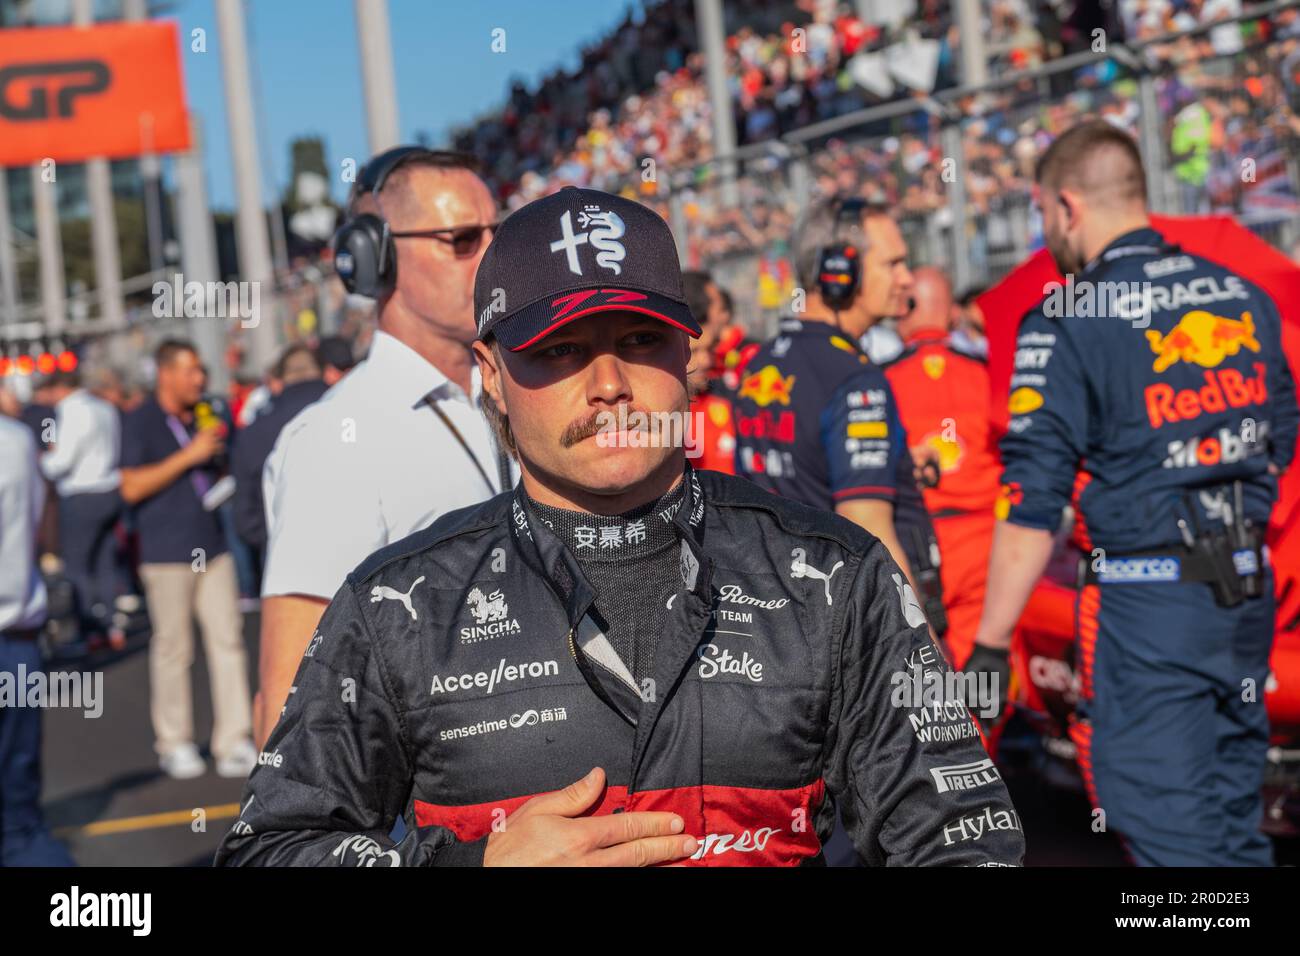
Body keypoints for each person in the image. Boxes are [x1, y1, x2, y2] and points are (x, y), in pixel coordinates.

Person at [215, 187, 1024, 868]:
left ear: (688, 355)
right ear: (492, 376)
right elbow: (269, 847)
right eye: (559, 349)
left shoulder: (837, 576)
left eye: (640, 340)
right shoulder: (400, 603)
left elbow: (961, 840)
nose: (608, 384)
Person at [970, 120, 1298, 866]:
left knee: (1167, 833)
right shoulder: (1242, 294)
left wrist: (991, 644)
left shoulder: (1063, 317)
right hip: (1244, 596)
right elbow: (1279, 432)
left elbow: (1031, 498)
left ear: (1065, 205)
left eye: (1041, 217)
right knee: (1231, 827)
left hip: (1151, 606)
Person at [255, 147, 506, 747]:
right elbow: (293, 714)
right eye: (463, 240)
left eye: (501, 233)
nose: (495, 257)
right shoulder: (336, 442)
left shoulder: (520, 394)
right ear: (373, 258)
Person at [733, 197, 941, 615]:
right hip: (861, 629)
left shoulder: (762, 362)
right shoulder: (854, 378)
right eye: (892, 264)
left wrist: (894, 462)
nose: (906, 279)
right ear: (839, 271)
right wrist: (923, 651)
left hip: (789, 612)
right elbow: (869, 528)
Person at [119, 340, 256, 780]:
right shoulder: (139, 421)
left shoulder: (208, 412)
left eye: (201, 370)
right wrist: (189, 456)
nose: (200, 379)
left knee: (228, 641)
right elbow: (130, 487)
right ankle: (174, 742)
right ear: (166, 374)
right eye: (191, 371)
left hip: (212, 545)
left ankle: (233, 738)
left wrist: (215, 457)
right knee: (173, 647)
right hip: (165, 552)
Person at [883, 267, 1001, 667]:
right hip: (986, 535)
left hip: (919, 538)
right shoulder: (987, 373)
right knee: (985, 660)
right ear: (952, 313)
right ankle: (983, 728)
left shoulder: (883, 380)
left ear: (904, 311)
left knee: (924, 662)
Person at [0, 415, 76, 866]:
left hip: (17, 637)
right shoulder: (16, 439)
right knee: (19, 813)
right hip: (17, 640)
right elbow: (41, 519)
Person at [38, 370, 128, 649]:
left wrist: (42, 459)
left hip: (81, 494)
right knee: (104, 563)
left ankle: (89, 630)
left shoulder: (72, 410)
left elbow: (62, 462)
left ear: (60, 389)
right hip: (110, 490)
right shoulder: (104, 407)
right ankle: (112, 625)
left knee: (78, 567)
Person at [231, 344, 328, 563]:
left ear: (282, 379)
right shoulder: (351, 410)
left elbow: (245, 520)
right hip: (360, 560)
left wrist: (275, 539)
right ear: (322, 371)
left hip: (285, 563)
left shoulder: (254, 431)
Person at [682, 270, 736, 474]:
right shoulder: (657, 415)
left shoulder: (724, 395)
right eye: (695, 352)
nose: (705, 361)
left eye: (709, 349)